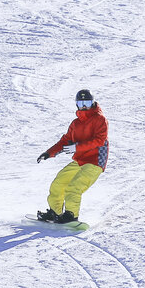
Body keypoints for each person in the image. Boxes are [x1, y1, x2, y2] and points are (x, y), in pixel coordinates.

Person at [36, 89, 108, 224]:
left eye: (87, 103)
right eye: (81, 104)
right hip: (80, 161)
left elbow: (100, 140)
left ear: (93, 103)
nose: (84, 106)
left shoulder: (100, 119)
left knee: (75, 186)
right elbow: (65, 140)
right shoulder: (75, 124)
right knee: (58, 183)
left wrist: (76, 147)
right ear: (77, 105)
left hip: (95, 161)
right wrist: (48, 153)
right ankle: (55, 212)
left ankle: (71, 216)